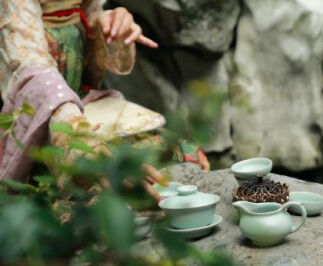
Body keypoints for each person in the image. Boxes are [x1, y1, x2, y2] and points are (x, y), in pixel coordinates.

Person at [0, 0, 209, 198]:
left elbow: (90, 58)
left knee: (177, 149)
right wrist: (80, 139)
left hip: (82, 103)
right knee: (99, 182)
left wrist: (106, 24)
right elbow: (32, 72)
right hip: (38, 120)